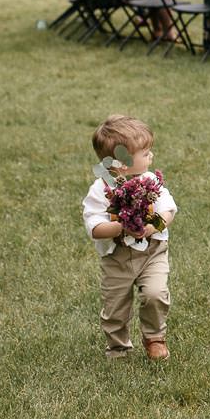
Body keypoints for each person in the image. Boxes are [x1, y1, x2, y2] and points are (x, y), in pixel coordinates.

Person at [81, 115, 177, 361]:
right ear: (122, 163)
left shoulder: (150, 182)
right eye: (145, 153)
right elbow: (94, 227)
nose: (151, 155)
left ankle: (155, 337)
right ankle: (118, 347)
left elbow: (168, 211)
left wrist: (151, 227)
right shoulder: (101, 189)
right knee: (115, 307)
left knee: (156, 294)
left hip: (152, 252)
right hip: (117, 257)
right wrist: (122, 226)